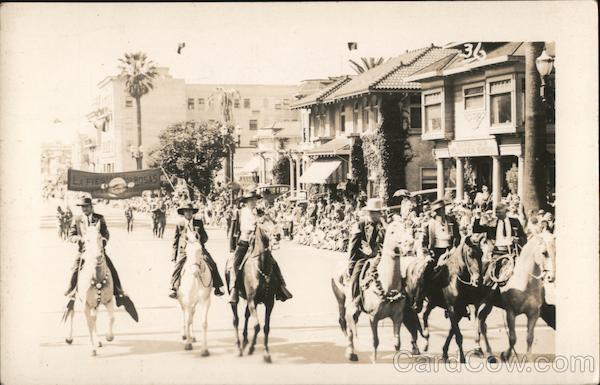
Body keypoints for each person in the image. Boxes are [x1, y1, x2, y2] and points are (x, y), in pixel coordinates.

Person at [65, 197, 136, 319]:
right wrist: (77, 239)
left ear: (91, 207)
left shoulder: (99, 218)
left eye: (86, 206)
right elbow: (71, 235)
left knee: (112, 269)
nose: (84, 209)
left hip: (98, 251)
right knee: (75, 268)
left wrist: (103, 240)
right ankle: (71, 293)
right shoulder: (77, 220)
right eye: (82, 207)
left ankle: (119, 293)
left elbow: (106, 233)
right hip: (84, 251)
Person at [228, 190, 293, 304]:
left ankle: (281, 287)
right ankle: (234, 288)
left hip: (259, 242)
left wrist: (273, 226)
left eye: (254, 200)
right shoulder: (241, 212)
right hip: (245, 242)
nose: (253, 202)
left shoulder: (259, 212)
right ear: (246, 202)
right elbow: (246, 227)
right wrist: (258, 224)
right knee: (235, 263)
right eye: (251, 200)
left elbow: (271, 223)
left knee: (272, 263)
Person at [169, 202, 225, 298]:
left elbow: (205, 238)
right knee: (178, 266)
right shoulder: (180, 225)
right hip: (185, 250)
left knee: (212, 263)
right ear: (183, 213)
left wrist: (200, 237)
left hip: (199, 249)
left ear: (193, 213)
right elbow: (175, 241)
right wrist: (173, 256)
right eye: (186, 211)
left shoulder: (199, 223)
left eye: (190, 211)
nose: (188, 213)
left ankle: (217, 286)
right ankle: (173, 287)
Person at [347, 198, 388, 306]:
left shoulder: (383, 225)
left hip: (380, 257)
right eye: (373, 213)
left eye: (378, 213)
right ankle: (355, 302)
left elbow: (387, 240)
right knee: (356, 277)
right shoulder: (361, 224)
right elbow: (353, 245)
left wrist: (384, 226)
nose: (375, 215)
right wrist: (351, 264)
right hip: (364, 257)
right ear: (369, 213)